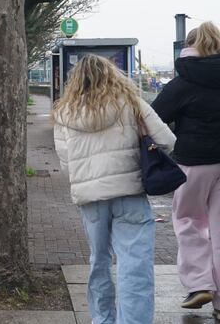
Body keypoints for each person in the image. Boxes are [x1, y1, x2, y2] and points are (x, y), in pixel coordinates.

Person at [54, 54, 175, 324]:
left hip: (90, 199)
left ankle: (102, 319)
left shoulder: (64, 113)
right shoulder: (132, 103)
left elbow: (66, 165)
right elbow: (167, 140)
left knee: (99, 262)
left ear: (75, 81)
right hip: (129, 194)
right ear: (112, 74)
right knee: (135, 266)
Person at [151, 21, 220, 315]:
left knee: (189, 219)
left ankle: (200, 284)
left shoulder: (184, 80)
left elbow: (155, 118)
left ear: (190, 46)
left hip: (194, 161)